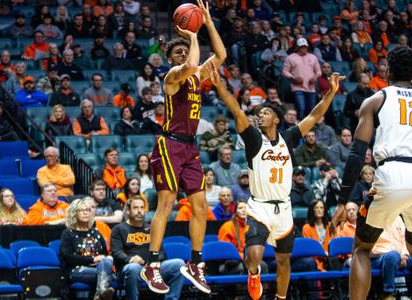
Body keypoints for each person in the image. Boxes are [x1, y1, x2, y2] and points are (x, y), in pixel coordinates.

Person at [210, 60, 343, 299]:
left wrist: (331, 91)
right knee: (254, 256)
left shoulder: (289, 137)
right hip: (259, 206)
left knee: (284, 261)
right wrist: (219, 85)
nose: (260, 116)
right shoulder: (253, 138)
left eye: (265, 113)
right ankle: (253, 274)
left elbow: (314, 115)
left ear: (276, 120)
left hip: (283, 207)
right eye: (259, 114)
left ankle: (281, 298)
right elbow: (236, 110)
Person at [333, 46, 412, 300]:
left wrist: (343, 200)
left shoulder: (376, 99)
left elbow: (356, 154)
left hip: (391, 172)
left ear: (387, 70)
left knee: (362, 250)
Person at [142, 0, 227, 293]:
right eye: (176, 52)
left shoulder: (196, 77)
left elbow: (221, 54)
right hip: (169, 145)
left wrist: (208, 22)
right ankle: (151, 266)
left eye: (184, 49)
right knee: (166, 203)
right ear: (169, 59)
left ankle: (195, 264)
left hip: (191, 148)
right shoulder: (172, 78)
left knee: (200, 206)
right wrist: (192, 35)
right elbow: (191, 64)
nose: (182, 54)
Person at [111, 197, 185, 300]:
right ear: (128, 211)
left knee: (179, 264)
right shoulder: (118, 229)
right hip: (130, 269)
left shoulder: (152, 228)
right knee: (133, 268)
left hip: (152, 269)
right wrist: (130, 259)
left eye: (142, 208)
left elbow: (162, 253)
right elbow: (116, 253)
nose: (139, 211)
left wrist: (152, 262)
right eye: (135, 208)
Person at [60, 198, 114, 300]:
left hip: (98, 268)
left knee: (108, 260)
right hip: (76, 270)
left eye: (87, 210)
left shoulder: (95, 232)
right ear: (74, 213)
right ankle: (102, 292)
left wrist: (101, 260)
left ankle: (100, 293)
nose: (85, 213)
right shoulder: (68, 233)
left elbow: (104, 254)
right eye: (81, 210)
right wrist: (92, 260)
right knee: (107, 276)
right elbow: (67, 257)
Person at [282, 38, 321, 119]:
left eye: (305, 47)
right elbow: (285, 71)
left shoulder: (313, 57)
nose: (304, 48)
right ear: (297, 47)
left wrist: (314, 78)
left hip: (311, 88)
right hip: (297, 87)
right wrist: (293, 78)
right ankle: (300, 126)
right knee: (301, 108)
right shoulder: (290, 57)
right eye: (302, 47)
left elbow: (318, 72)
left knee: (311, 110)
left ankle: (310, 128)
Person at [302, 199, 336, 271]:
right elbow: (308, 249)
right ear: (312, 210)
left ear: (324, 210)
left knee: (335, 260)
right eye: (316, 208)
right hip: (315, 260)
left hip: (329, 259)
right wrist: (322, 254)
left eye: (321, 207)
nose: (319, 210)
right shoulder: (306, 228)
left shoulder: (330, 226)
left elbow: (334, 245)